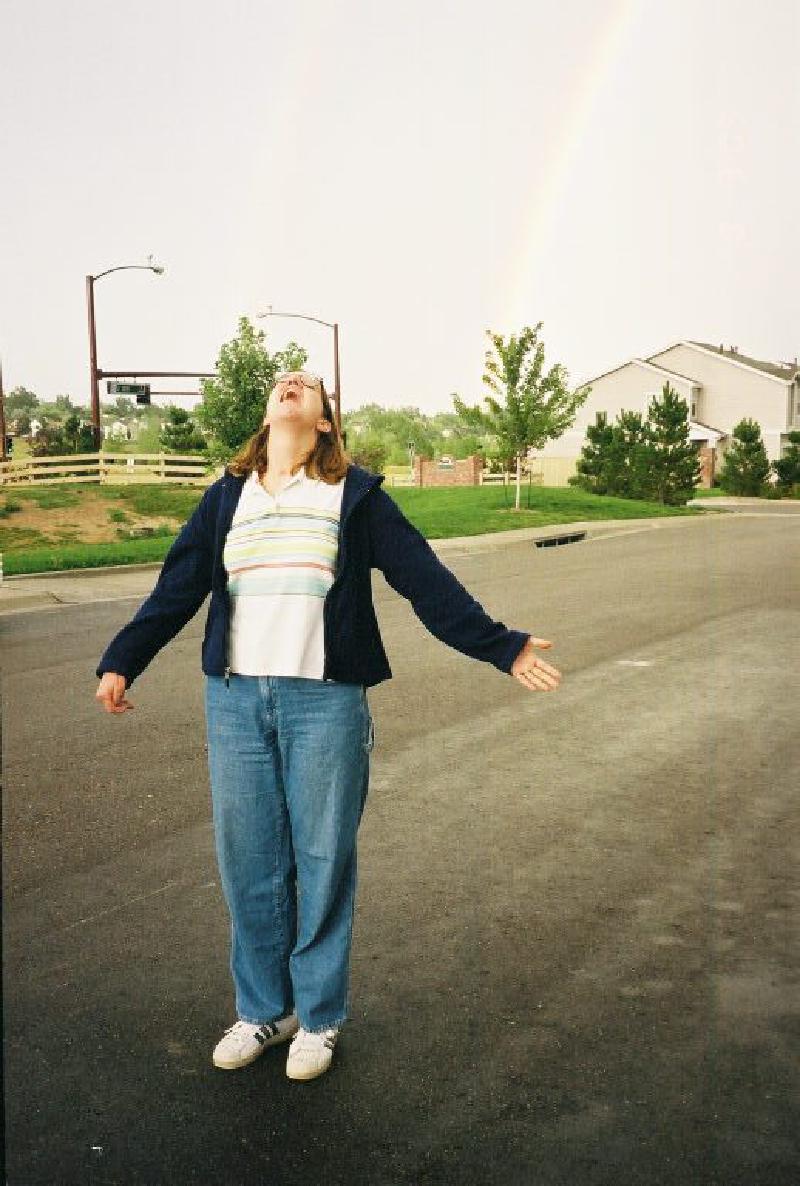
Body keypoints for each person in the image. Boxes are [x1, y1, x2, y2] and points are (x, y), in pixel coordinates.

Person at [95, 369, 562, 1082]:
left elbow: (425, 582)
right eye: (282, 382)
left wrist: (502, 645)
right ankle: (264, 1010)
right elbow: (177, 587)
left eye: (306, 384)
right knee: (248, 862)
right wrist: (124, 658)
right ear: (268, 413)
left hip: (325, 702)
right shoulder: (228, 497)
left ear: (322, 422)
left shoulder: (356, 497)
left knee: (321, 858)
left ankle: (317, 1017)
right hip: (235, 699)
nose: (290, 384)